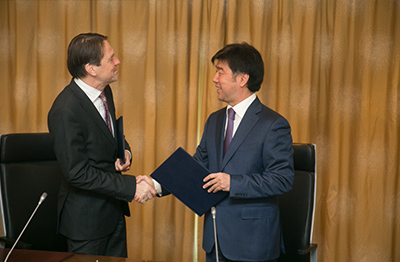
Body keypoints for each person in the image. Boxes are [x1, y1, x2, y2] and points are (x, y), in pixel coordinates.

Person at [139, 42, 294, 261]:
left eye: (220, 72)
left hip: (253, 244)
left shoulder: (273, 124)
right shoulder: (215, 120)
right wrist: (154, 185)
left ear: (242, 79)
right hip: (215, 241)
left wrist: (232, 182)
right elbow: (194, 167)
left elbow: (282, 179)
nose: (214, 79)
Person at [48, 33, 156, 257]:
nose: (117, 61)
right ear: (91, 68)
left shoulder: (104, 90)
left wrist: (123, 150)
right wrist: (130, 186)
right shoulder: (65, 110)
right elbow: (77, 173)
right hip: (86, 223)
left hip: (112, 212)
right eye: (111, 58)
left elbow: (108, 133)